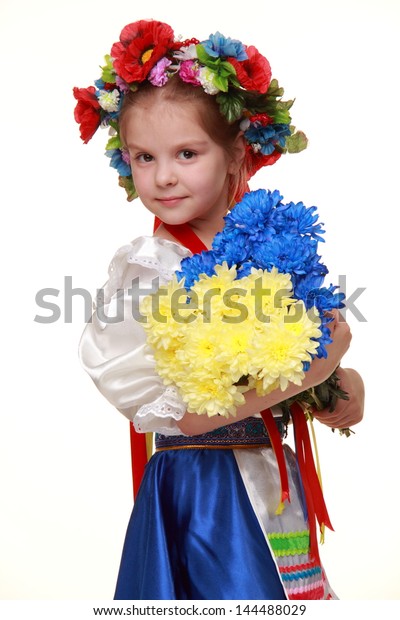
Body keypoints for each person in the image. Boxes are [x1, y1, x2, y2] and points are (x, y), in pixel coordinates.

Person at [74, 19, 364, 600]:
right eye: (143, 157)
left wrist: (340, 388)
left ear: (237, 153)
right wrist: (315, 367)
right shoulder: (150, 270)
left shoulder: (272, 254)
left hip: (272, 486)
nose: (162, 176)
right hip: (203, 493)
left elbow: (333, 395)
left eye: (186, 152)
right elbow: (189, 418)